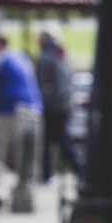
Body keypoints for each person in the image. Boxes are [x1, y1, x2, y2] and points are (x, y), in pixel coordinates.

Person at [0, 33, 43, 202]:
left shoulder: (0, 58)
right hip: (34, 107)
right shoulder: (22, 57)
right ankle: (25, 194)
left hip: (11, 108)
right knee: (27, 154)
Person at [36, 31, 82, 182]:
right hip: (64, 104)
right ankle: (76, 170)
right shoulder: (61, 54)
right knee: (60, 141)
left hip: (54, 107)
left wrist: (47, 105)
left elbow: (47, 85)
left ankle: (78, 170)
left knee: (56, 141)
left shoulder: (47, 57)